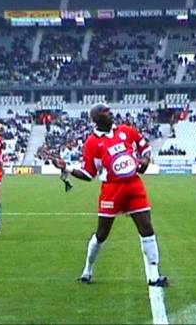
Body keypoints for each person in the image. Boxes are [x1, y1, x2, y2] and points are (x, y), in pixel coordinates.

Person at [48, 103, 168, 287]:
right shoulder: (92, 143)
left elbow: (145, 147)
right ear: (96, 118)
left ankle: (154, 275)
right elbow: (88, 174)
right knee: (102, 234)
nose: (110, 113)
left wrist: (144, 159)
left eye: (109, 110)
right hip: (111, 190)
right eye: (104, 111)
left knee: (146, 227)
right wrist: (67, 168)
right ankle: (87, 270)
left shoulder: (126, 131)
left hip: (134, 185)